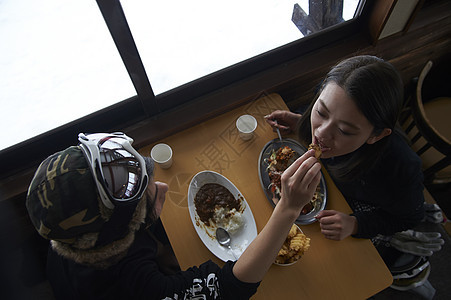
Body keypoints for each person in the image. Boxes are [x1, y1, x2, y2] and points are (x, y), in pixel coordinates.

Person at [26, 132, 321, 300]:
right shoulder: (139, 288)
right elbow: (230, 289)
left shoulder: (73, 235)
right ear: (119, 232)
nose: (163, 187)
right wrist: (288, 210)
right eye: (145, 198)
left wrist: (158, 249)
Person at [265, 55, 425, 242]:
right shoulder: (335, 94)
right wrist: (300, 122)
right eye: (321, 112)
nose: (321, 134)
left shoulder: (402, 168)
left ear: (376, 135)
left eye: (344, 131)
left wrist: (356, 224)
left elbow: (410, 217)